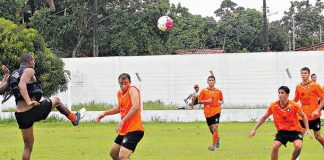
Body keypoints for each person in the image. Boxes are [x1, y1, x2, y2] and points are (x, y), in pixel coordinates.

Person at [8, 54, 86, 160]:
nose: (34, 63)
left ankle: (74, 118)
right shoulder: (29, 70)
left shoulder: (13, 74)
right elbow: (22, 85)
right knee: (57, 100)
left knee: (27, 147)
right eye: (33, 60)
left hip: (21, 115)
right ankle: (74, 118)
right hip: (31, 110)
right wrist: (29, 102)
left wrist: (6, 75)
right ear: (29, 61)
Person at [249, 86, 312, 160]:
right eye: (279, 92)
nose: (280, 94)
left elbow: (304, 116)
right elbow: (264, 117)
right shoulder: (273, 105)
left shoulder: (294, 105)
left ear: (287, 95)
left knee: (298, 146)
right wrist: (254, 129)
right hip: (282, 131)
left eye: (282, 93)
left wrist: (307, 129)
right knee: (275, 146)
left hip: (295, 130)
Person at [96, 73, 144, 160]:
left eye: (126, 83)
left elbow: (136, 106)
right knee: (114, 153)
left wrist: (123, 121)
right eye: (121, 84)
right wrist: (105, 113)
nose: (124, 86)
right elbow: (119, 108)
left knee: (122, 156)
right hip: (124, 130)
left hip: (135, 129)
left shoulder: (132, 89)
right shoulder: (119, 93)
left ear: (130, 82)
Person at [293, 67, 324, 150]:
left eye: (305, 73)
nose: (303, 75)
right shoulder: (298, 86)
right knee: (299, 136)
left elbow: (323, 98)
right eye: (302, 73)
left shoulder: (315, 86)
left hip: (314, 116)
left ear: (309, 74)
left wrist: (317, 110)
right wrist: (287, 103)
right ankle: (297, 157)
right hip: (302, 116)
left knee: (318, 136)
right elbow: (295, 99)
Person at [198, 75, 223, 151]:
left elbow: (222, 100)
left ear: (215, 82)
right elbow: (199, 101)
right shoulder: (203, 91)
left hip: (216, 111)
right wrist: (206, 101)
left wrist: (220, 102)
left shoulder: (218, 91)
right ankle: (217, 139)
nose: (211, 81)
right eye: (210, 80)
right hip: (208, 112)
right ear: (207, 82)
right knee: (211, 129)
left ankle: (213, 146)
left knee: (215, 127)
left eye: (212, 80)